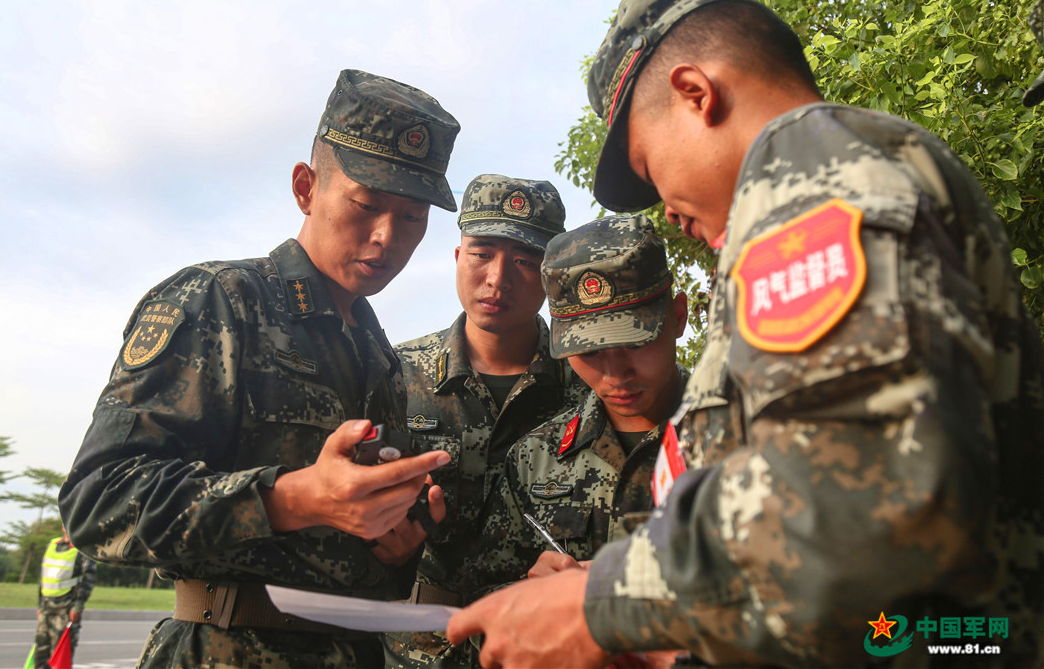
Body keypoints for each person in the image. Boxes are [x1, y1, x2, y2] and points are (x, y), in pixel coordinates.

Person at [448, 0, 1044, 668]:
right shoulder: (838, 174)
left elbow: (865, 519)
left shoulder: (809, 178)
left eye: (647, 163)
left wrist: (607, 605)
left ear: (696, 93)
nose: (665, 207)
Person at [59, 69, 461, 668]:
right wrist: (293, 497)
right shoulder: (219, 301)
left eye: (412, 219)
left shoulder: (380, 354)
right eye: (366, 204)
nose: (385, 237)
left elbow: (343, 556)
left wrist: (390, 546)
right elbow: (97, 503)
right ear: (306, 187)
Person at [384, 175, 588, 668]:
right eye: (482, 254)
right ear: (458, 258)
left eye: (524, 261)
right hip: (415, 649)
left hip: (540, 648)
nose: (499, 279)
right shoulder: (394, 374)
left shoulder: (588, 383)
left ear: (550, 273)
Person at [469, 214, 689, 669]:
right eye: (588, 352)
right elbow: (484, 597)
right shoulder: (536, 459)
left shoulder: (743, 438)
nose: (614, 375)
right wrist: (534, 600)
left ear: (679, 316)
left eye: (634, 343)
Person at [32, 524, 97, 669]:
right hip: (46, 609)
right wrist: (40, 604)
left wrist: (77, 607)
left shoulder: (82, 549)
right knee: (40, 654)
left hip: (66, 610)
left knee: (60, 657)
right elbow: (43, 578)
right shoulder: (52, 545)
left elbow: (88, 580)